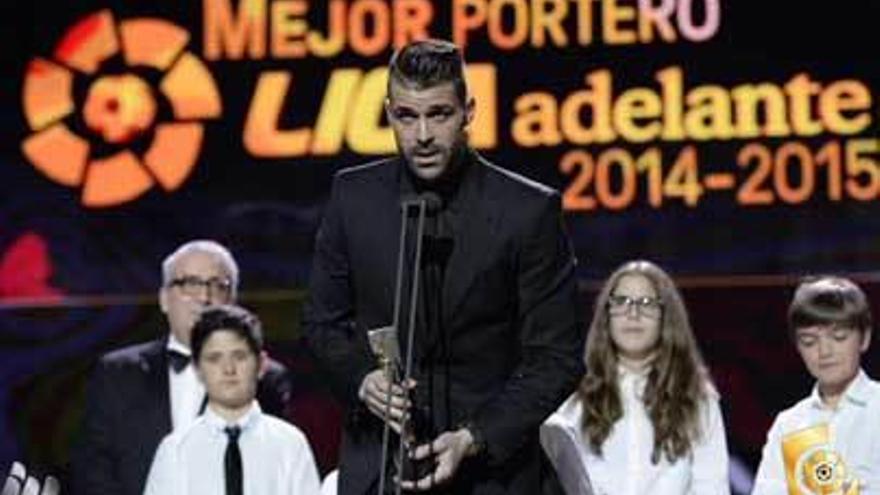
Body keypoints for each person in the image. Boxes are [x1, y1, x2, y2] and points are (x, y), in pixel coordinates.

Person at [303, 39, 584, 494]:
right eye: (407, 117)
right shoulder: (353, 198)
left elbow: (557, 358)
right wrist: (362, 379)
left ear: (468, 112)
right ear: (390, 112)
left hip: (492, 475)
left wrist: (476, 437)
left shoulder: (526, 210)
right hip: (380, 470)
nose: (423, 135)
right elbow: (321, 324)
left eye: (439, 114)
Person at [72, 240, 291, 495]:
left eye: (217, 285)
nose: (204, 297)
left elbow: (272, 472)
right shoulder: (117, 373)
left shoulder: (263, 377)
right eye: (190, 283)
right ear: (164, 299)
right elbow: (94, 471)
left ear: (233, 301)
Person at [541, 260, 730, 495]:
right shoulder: (573, 397)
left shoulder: (698, 400)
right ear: (606, 315)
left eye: (647, 303)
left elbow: (712, 487)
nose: (633, 313)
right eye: (621, 301)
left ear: (666, 317)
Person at [144, 305, 321, 494]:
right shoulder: (176, 450)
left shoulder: (290, 444)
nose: (228, 369)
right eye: (214, 358)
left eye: (239, 356)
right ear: (197, 369)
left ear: (261, 365)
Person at [752, 276, 880, 494]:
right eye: (809, 341)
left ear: (864, 338)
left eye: (838, 337)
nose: (824, 352)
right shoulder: (790, 424)